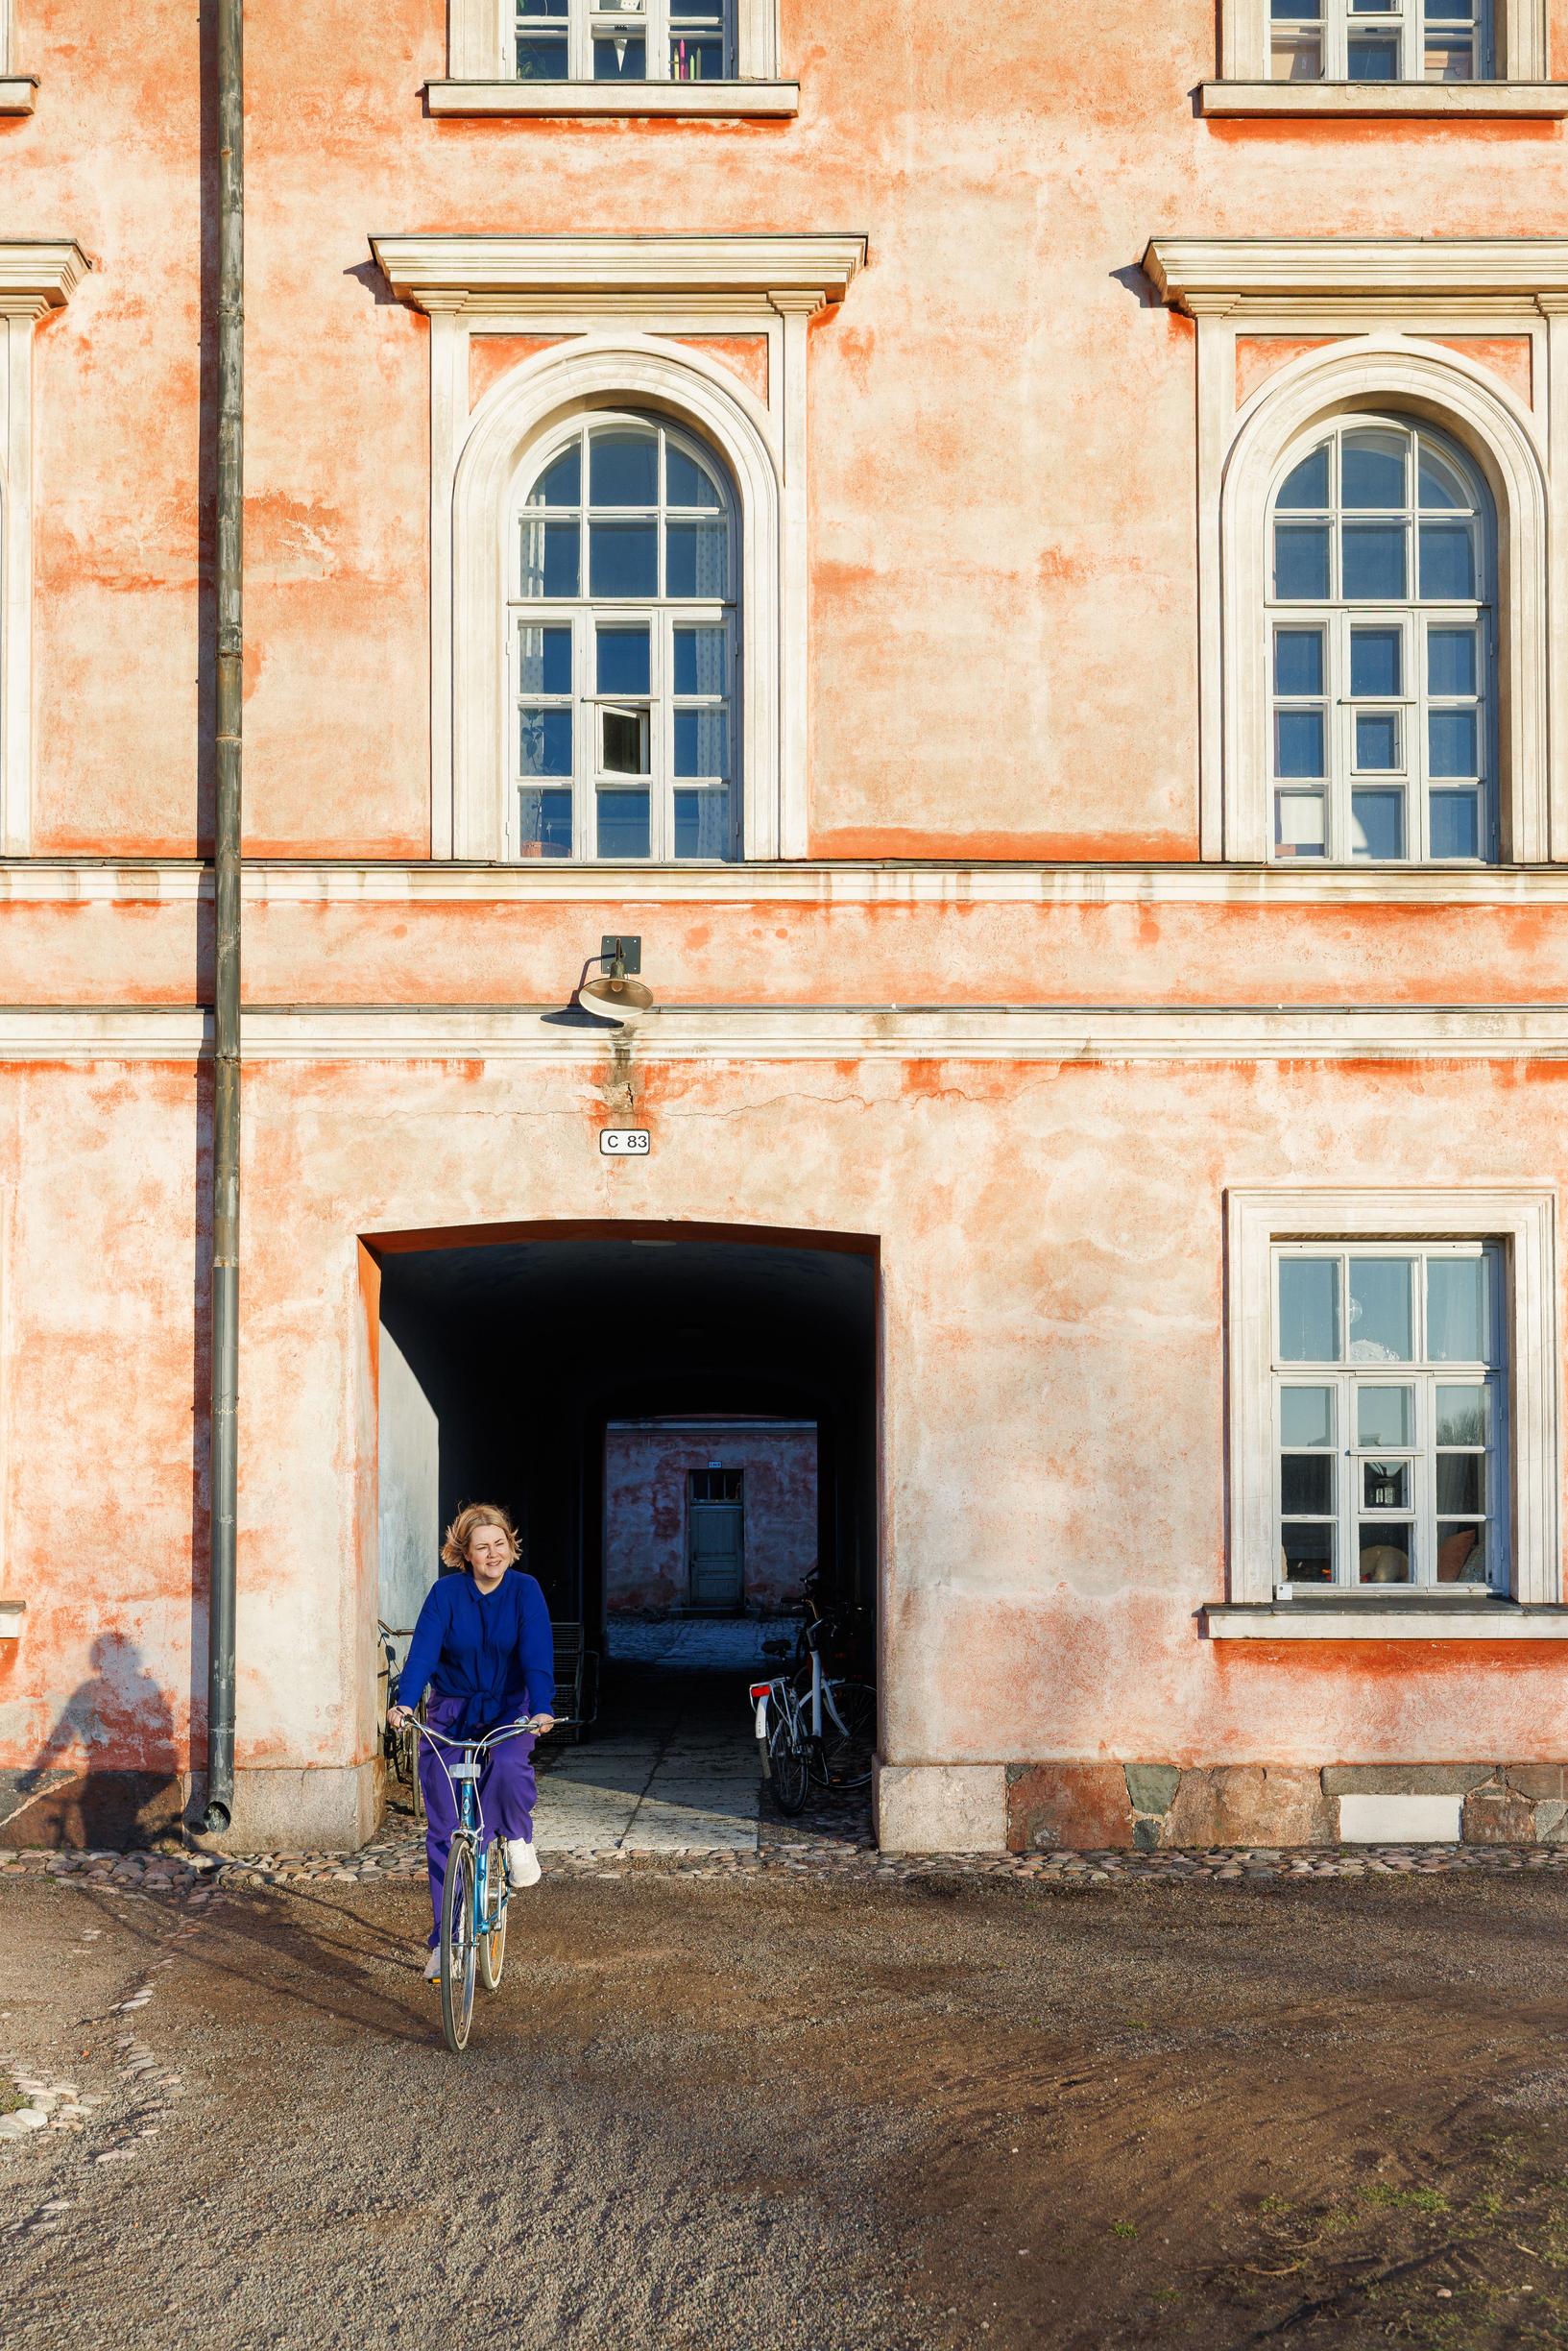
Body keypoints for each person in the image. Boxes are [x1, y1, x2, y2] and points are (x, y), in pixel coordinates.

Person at [388, 1503, 555, 1981]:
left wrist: (541, 1705)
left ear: (511, 1545)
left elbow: (537, 1653)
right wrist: (405, 1702)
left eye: (499, 1543)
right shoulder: (445, 1594)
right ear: (464, 1553)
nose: (493, 1553)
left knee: (506, 1764)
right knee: (444, 1827)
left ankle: (518, 1836)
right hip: (452, 1711)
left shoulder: (526, 1592)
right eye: (482, 1547)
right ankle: (445, 1941)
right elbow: (422, 1653)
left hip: (508, 1708)